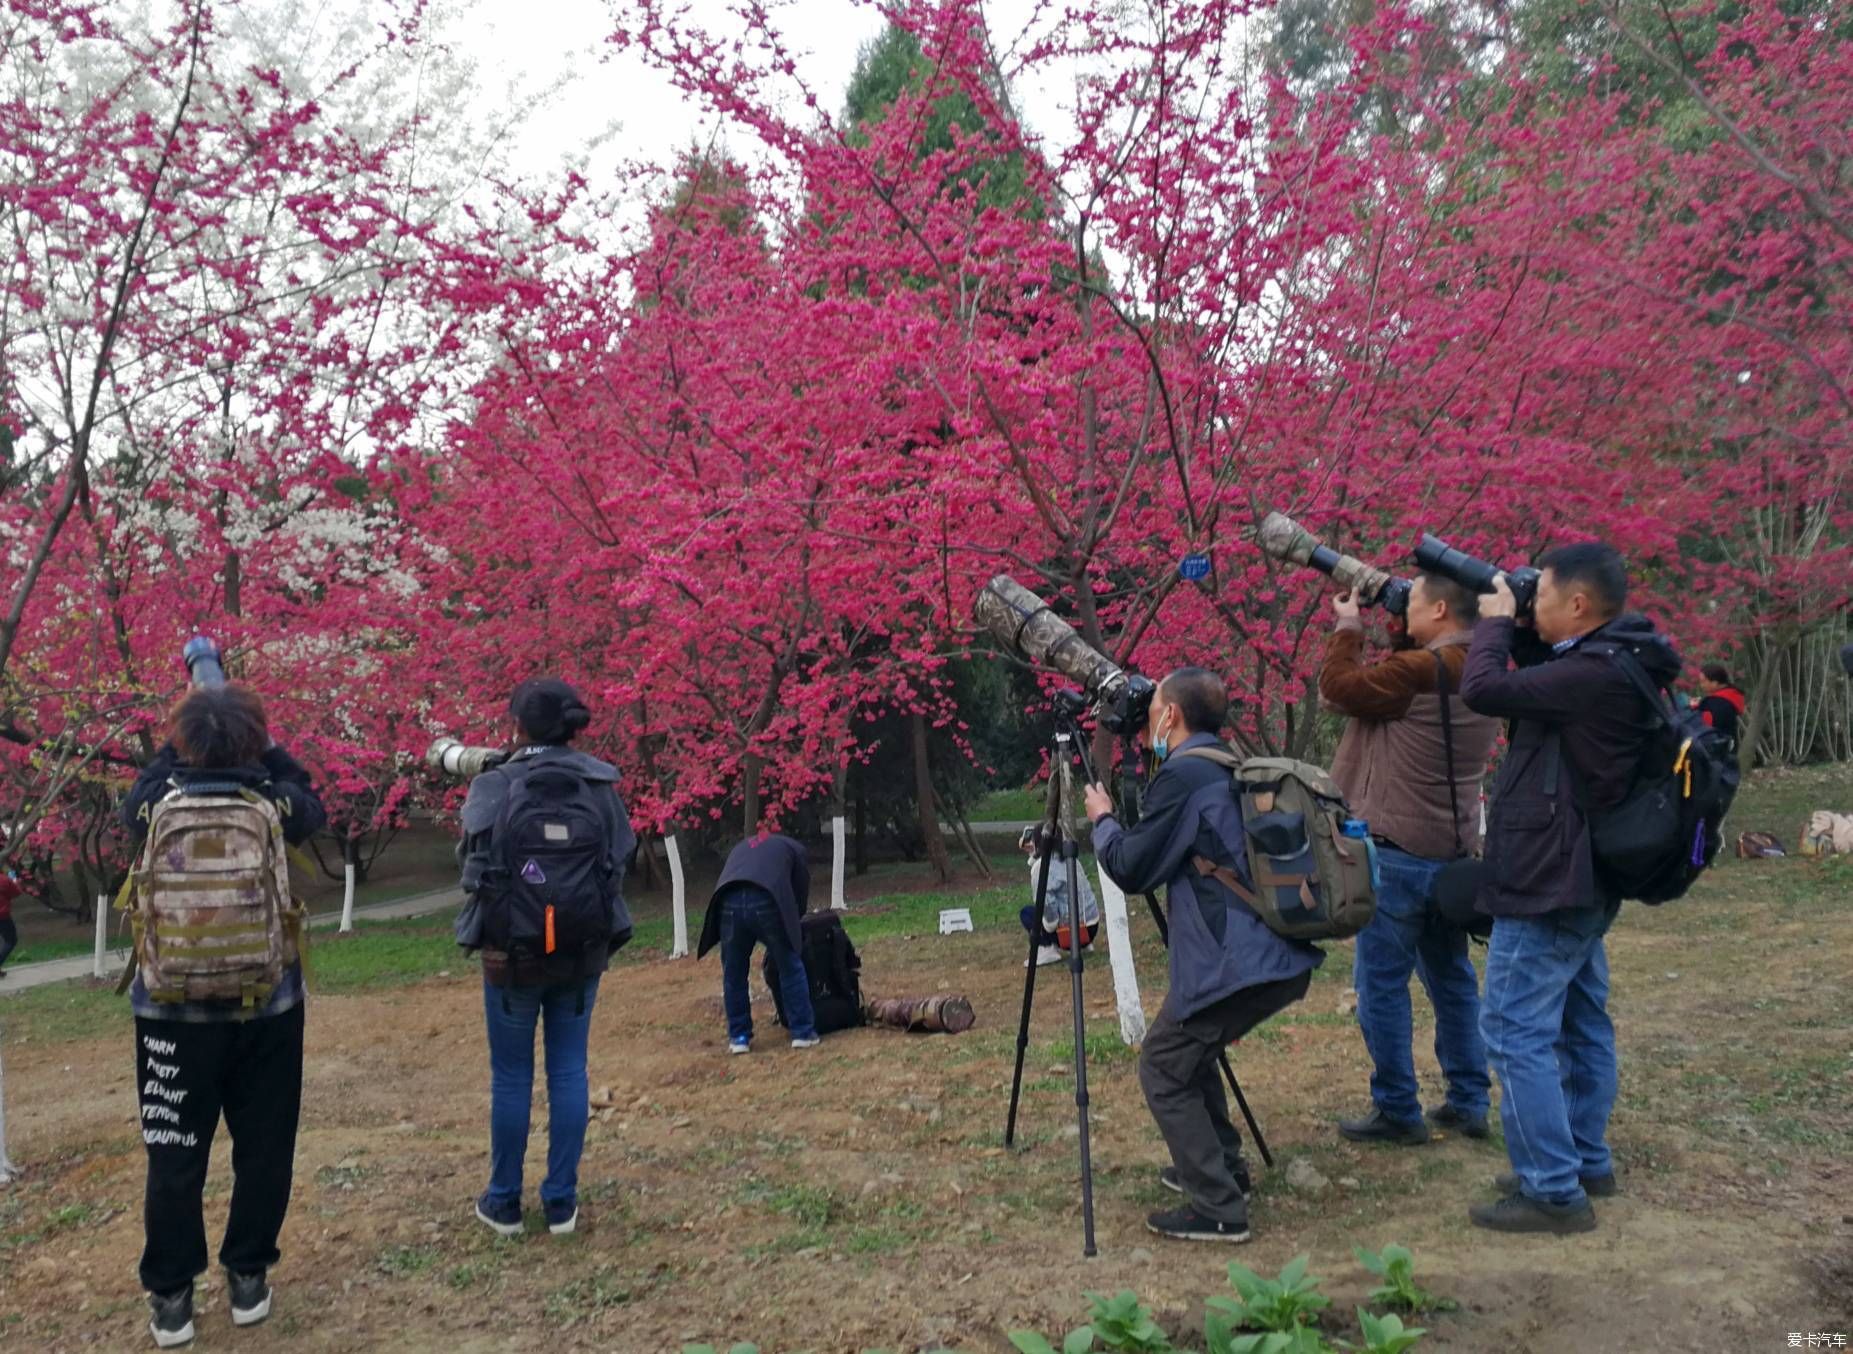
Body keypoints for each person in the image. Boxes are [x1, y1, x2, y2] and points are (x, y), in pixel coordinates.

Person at [1461, 542, 1680, 1235]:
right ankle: (1582, 1157)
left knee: (1512, 1027)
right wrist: (1520, 625)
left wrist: (1495, 621)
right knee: (1580, 1020)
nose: (1535, 603)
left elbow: (1484, 689)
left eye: (1543, 594)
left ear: (1578, 603)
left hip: (1550, 878)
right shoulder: (1616, 661)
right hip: (1581, 872)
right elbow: (1528, 679)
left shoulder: (1593, 673)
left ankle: (1551, 1188)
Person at [1084, 668, 1323, 1244]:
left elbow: (1132, 867)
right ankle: (1225, 1168)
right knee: (1190, 1049)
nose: (1147, 721)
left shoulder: (1185, 775)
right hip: (1271, 953)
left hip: (1235, 961)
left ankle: (1218, 1206)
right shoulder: (1225, 762)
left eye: (1154, 711)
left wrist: (1102, 820)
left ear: (1172, 716)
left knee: (1164, 1065)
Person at [120, 684, 326, 1349]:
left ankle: (172, 1297)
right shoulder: (275, 801)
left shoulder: (154, 803)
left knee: (174, 1152)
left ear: (181, 741)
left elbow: (146, 782)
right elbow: (309, 797)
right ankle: (247, 1278)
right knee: (263, 1147)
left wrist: (179, 742)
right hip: (267, 1005)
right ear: (253, 739)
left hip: (170, 1012)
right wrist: (265, 746)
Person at [1321, 575, 1501, 1146]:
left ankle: (1398, 1108)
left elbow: (1337, 688)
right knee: (1451, 981)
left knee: (1380, 986)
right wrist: (1399, 627)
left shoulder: (1420, 674)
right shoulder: (1486, 668)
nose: (1406, 609)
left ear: (1442, 608)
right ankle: (1470, 1099)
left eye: (1414, 602)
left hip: (1395, 853)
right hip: (1450, 852)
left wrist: (1350, 625)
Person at [454, 678, 635, 1240]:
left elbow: (469, 864)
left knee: (511, 1076)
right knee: (568, 1069)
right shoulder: (600, 784)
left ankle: (503, 1201)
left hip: (510, 954)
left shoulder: (495, 784)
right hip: (581, 953)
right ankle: (561, 1201)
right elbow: (620, 857)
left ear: (517, 726)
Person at [696, 833, 819, 1053]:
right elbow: (799, 890)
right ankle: (802, 1032)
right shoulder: (796, 850)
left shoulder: (742, 846)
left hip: (727, 900)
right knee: (789, 964)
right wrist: (794, 922)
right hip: (766, 899)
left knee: (733, 972)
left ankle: (738, 1037)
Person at [1017, 824, 1100, 968]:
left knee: (1027, 913)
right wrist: (1034, 853)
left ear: (1037, 842)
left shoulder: (1041, 869)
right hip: (1091, 928)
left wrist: (1047, 929)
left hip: (1071, 935)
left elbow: (1049, 911)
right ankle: (1084, 946)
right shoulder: (1071, 859)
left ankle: (1047, 949)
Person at [1690, 663, 1746, 749]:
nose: (1701, 685)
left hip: (1713, 752)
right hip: (1729, 748)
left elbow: (1702, 727)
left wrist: (1693, 708)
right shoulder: (1731, 698)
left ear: (1715, 683)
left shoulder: (1715, 703)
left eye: (1703, 681)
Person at [0, 867, 20, 974]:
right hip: (2, 916)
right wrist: (14, 880)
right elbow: (16, 893)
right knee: (10, 940)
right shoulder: (4, 879)